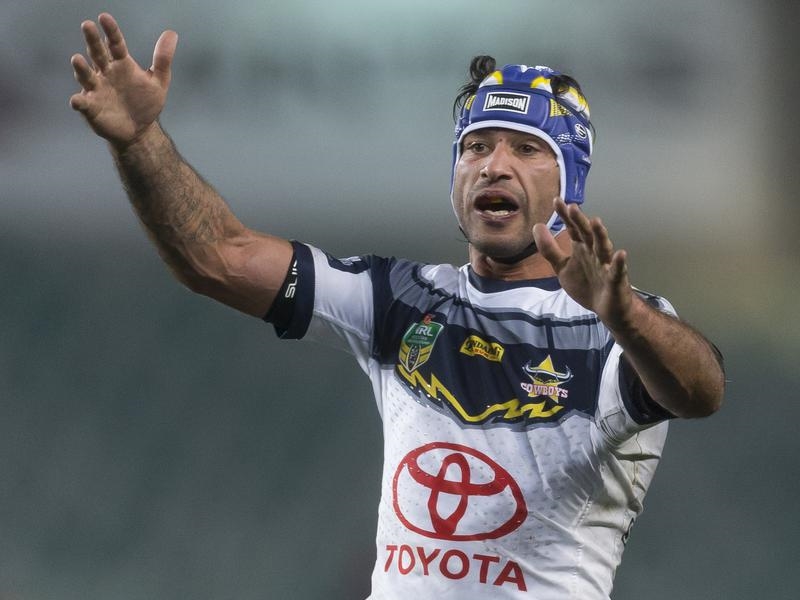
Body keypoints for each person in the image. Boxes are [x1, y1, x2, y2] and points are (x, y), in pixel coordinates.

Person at [69, 13, 725, 599]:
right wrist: (140, 140)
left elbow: (700, 391)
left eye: (527, 149)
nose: (493, 165)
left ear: (569, 182)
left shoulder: (612, 325)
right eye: (476, 146)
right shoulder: (401, 301)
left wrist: (622, 315)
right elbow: (217, 257)